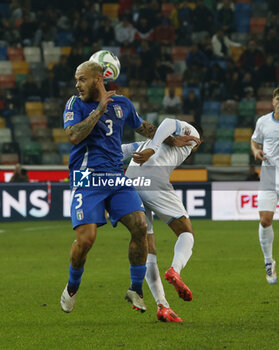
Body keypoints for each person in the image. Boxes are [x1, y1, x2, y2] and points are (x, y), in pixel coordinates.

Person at [60, 61, 190, 314]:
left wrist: (172, 140)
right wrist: (99, 110)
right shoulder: (75, 104)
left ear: (99, 78)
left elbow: (144, 128)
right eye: (76, 80)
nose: (77, 84)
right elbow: (74, 136)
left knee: (140, 226)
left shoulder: (123, 104)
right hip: (87, 179)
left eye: (82, 79)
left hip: (116, 178)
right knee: (86, 240)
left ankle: (135, 289)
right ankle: (72, 287)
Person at [122, 118, 202, 322]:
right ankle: (175, 270)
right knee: (185, 231)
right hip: (153, 179)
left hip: (131, 181)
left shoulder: (145, 142)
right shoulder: (193, 135)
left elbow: (122, 149)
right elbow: (168, 122)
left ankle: (162, 306)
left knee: (148, 246)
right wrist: (154, 148)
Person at [251, 87, 279, 285]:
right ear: (273, 101)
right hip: (269, 174)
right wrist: (255, 152)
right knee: (265, 221)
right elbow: (254, 142)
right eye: (278, 98)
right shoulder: (263, 122)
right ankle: (269, 262)